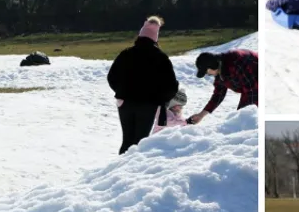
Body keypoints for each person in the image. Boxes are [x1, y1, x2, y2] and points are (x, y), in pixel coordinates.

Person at [107, 16, 179, 154]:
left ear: (140, 35)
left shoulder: (126, 54)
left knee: (127, 140)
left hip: (125, 103)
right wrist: (161, 100)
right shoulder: (161, 57)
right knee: (140, 142)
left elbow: (111, 77)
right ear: (155, 38)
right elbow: (171, 86)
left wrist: (121, 91)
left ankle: (118, 171)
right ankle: (133, 172)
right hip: (148, 105)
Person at [187, 49, 258, 124]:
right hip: (252, 85)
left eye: (206, 72)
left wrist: (242, 117)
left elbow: (252, 92)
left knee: (246, 118)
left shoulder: (236, 63)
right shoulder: (220, 70)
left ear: (211, 66)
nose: (208, 74)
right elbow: (218, 94)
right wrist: (201, 115)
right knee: (243, 118)